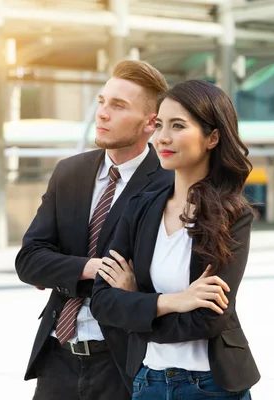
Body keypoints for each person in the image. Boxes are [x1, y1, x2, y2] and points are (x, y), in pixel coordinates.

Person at [90, 79, 260, 399]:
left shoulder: (232, 215)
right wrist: (172, 301)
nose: (162, 137)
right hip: (147, 382)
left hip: (211, 385)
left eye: (178, 125)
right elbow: (102, 302)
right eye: (159, 125)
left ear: (213, 137)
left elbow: (208, 320)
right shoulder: (140, 207)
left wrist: (136, 303)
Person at [15, 60, 174, 400]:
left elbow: (155, 278)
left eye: (118, 106)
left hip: (122, 363)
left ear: (151, 123)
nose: (102, 113)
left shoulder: (167, 184)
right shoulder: (69, 172)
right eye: (102, 101)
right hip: (57, 356)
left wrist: (58, 266)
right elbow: (28, 259)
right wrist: (90, 267)